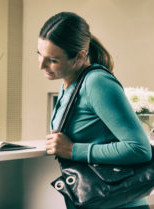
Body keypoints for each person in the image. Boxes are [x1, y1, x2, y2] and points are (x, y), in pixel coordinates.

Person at [38, 12, 152, 209]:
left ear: (80, 55)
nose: (42, 65)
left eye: (53, 60)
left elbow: (139, 148)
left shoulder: (96, 82)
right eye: (39, 54)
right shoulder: (68, 83)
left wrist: (73, 150)